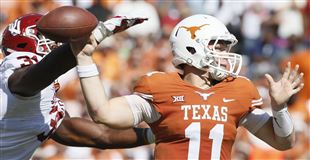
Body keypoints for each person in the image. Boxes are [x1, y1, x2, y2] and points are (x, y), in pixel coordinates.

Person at [76, 14, 305, 159]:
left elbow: (283, 142)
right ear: (192, 49)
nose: (225, 55)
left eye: (226, 48)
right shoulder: (160, 87)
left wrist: (279, 108)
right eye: (218, 47)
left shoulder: (238, 90)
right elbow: (102, 113)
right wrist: (85, 58)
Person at [0, 13, 153, 160]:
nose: (54, 41)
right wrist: (95, 35)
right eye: (45, 36)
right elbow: (32, 78)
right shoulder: (12, 71)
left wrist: (157, 133)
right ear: (22, 41)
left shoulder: (43, 106)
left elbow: (102, 136)